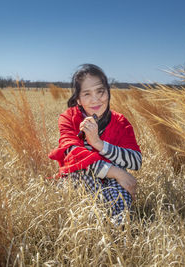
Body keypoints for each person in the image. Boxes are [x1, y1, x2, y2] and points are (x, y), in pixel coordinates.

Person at [49, 64, 142, 222]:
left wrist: (99, 144)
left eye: (100, 91)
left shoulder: (120, 121)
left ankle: (119, 231)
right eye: (87, 94)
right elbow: (73, 155)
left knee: (119, 191)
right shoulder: (68, 118)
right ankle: (94, 226)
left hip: (114, 183)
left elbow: (136, 161)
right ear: (78, 99)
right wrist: (117, 172)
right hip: (80, 180)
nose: (95, 99)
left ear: (108, 92)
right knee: (83, 177)